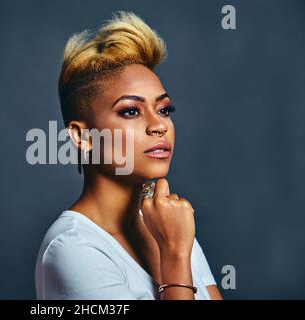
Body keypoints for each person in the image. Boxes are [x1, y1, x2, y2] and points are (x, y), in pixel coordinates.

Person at [35, 11, 222, 300]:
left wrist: (178, 246)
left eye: (164, 109)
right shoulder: (72, 250)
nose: (159, 125)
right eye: (131, 111)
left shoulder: (170, 226)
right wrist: (174, 256)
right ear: (82, 137)